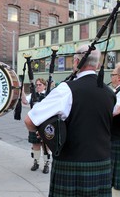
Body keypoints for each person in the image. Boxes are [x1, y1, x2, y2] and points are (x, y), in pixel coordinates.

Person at [24, 44, 116, 196]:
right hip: (102, 164)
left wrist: (45, 133)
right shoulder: (110, 93)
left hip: (71, 164)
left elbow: (30, 121)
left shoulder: (66, 89)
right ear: (98, 65)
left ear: (75, 62)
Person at [22, 78, 51, 174]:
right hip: (34, 122)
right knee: (35, 144)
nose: (38, 86)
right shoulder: (33, 95)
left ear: (45, 86)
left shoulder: (49, 95)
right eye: (37, 85)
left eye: (40, 85)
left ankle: (47, 164)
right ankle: (36, 162)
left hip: (45, 122)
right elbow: (25, 101)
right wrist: (21, 91)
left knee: (45, 145)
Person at [110, 62, 120, 196]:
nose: (111, 77)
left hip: (117, 138)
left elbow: (114, 111)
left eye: (112, 74)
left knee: (117, 179)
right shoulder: (116, 91)